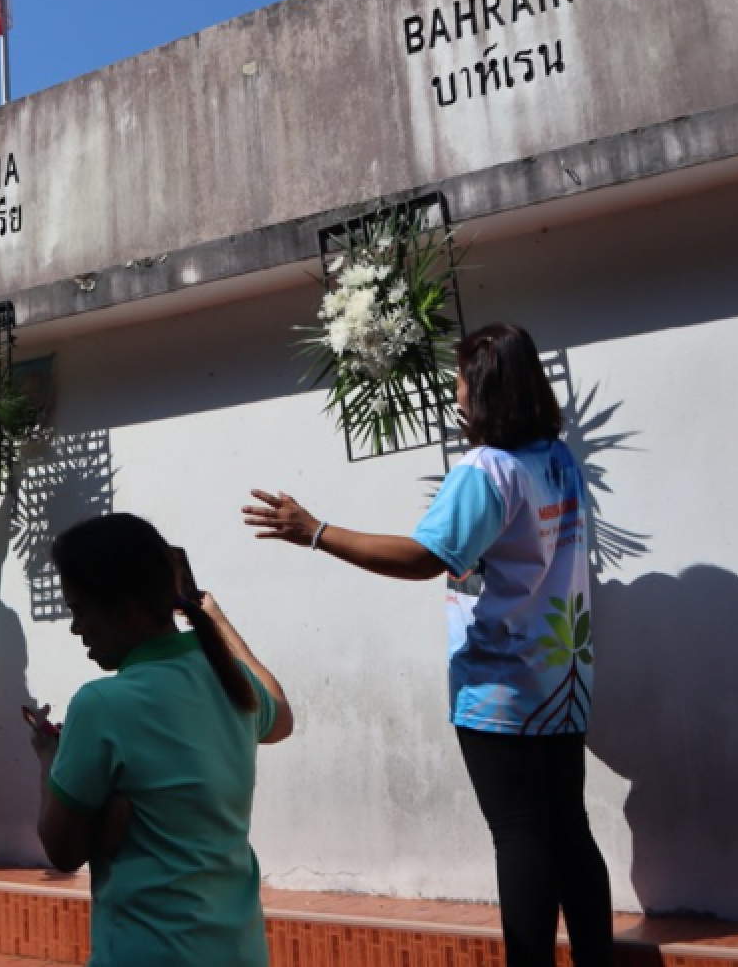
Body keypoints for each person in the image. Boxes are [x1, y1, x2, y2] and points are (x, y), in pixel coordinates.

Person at [243, 321, 613, 967]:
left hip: (502, 684)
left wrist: (316, 531)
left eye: (463, 378)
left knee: (520, 833)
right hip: (563, 677)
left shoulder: (486, 471)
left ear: (487, 388)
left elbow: (425, 556)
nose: (456, 389)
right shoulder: (557, 461)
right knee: (568, 828)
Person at [26, 513, 293, 966]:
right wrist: (214, 618)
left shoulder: (101, 704)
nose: (76, 629)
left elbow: (63, 850)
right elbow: (280, 717)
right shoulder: (229, 681)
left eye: (80, 610)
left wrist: (48, 759)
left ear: (127, 608)